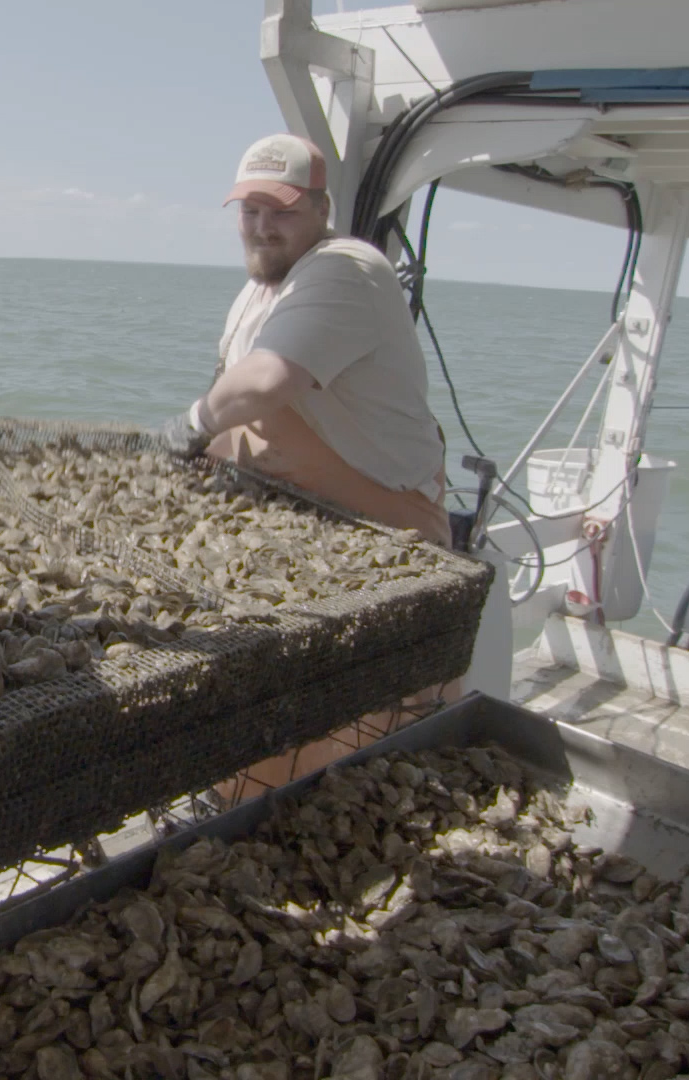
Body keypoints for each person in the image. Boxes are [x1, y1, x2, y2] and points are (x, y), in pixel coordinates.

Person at [160, 134, 455, 801]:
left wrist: (186, 427)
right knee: (269, 732)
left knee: (365, 754)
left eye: (283, 211)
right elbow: (232, 389)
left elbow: (266, 381)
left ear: (322, 209)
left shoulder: (346, 269)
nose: (262, 226)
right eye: (250, 210)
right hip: (289, 537)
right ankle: (240, 827)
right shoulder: (260, 294)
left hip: (384, 542)